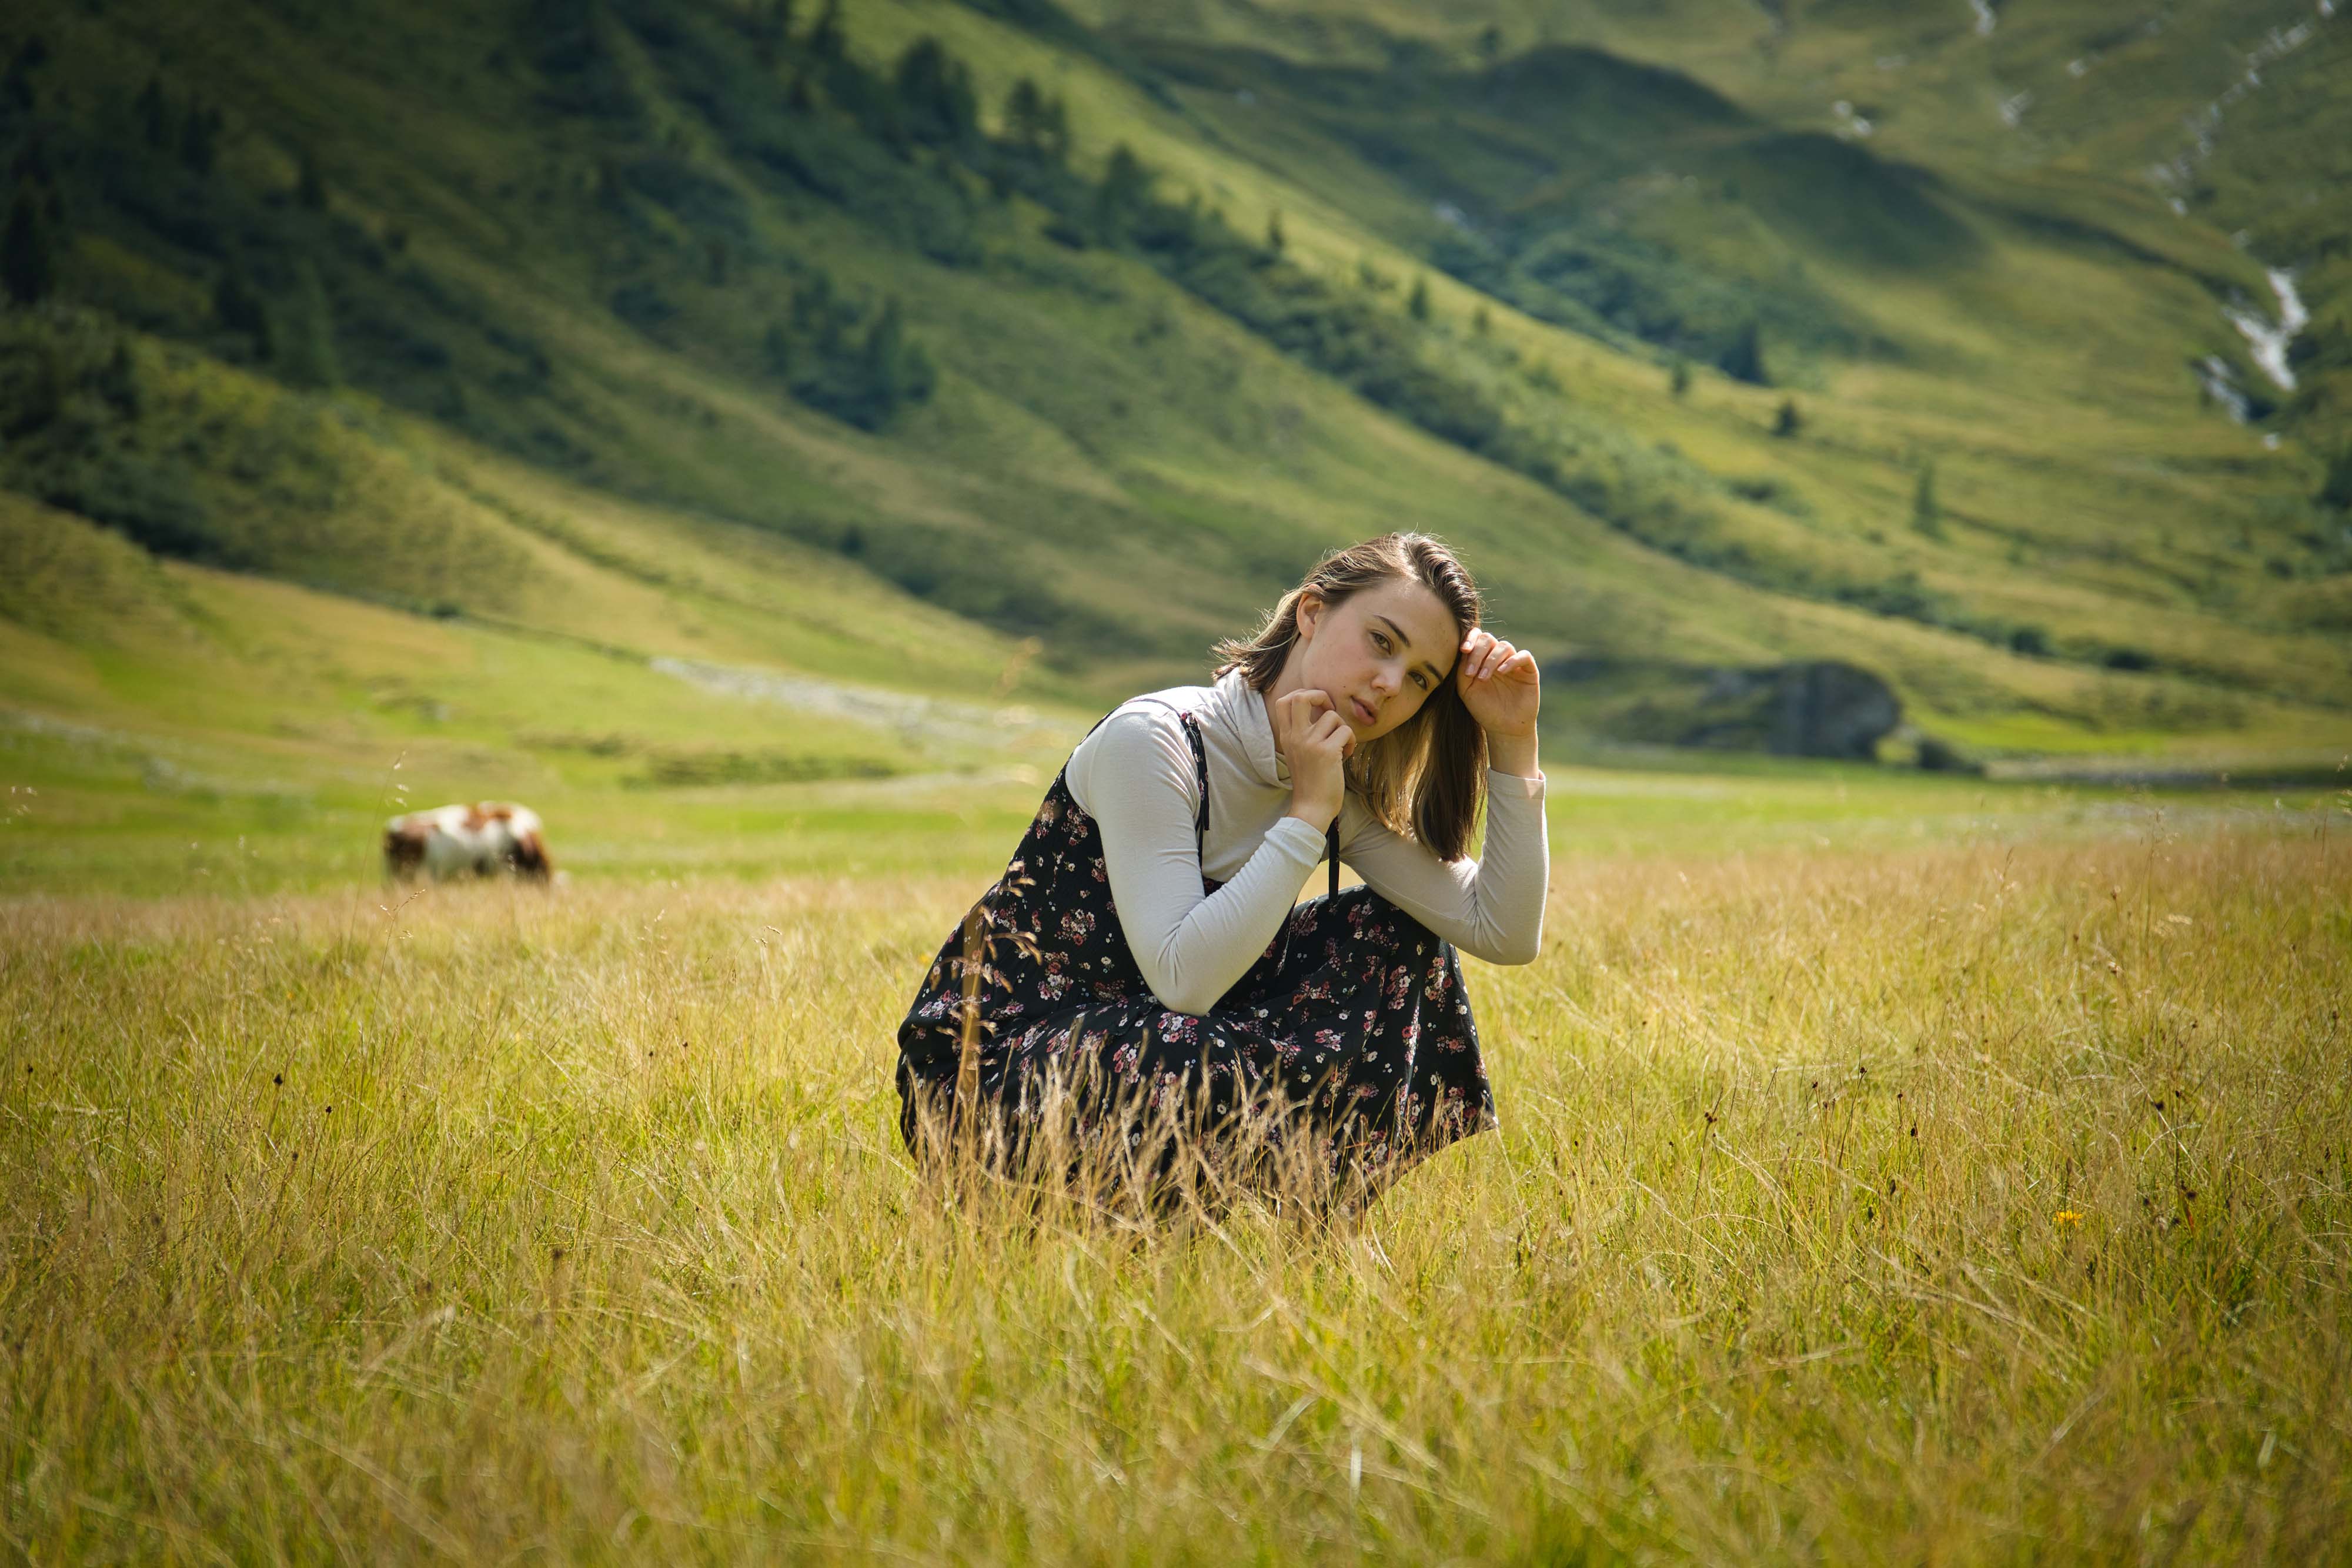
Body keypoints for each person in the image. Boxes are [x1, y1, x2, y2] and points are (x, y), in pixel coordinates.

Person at [895, 533, 1547, 1212]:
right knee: (1183, 1044)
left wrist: (1511, 738)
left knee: (1394, 936)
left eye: (1420, 678)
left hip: (1147, 1056)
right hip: (987, 1078)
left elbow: (1501, 931)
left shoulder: (1331, 784)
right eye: (1382, 642)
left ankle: (1283, 1221)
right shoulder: (1156, 740)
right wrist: (1305, 816)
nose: (1390, 684)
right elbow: (1184, 982)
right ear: (1312, 613)